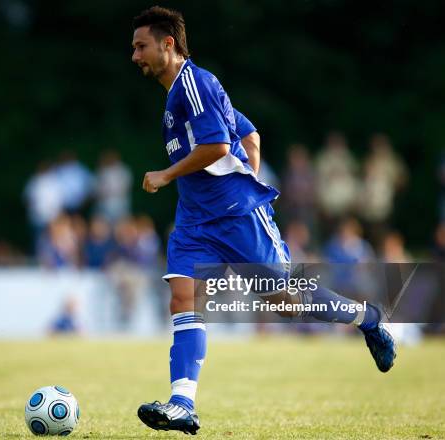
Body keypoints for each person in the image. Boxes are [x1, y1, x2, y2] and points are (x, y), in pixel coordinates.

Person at [130, 6, 396, 434]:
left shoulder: (194, 84)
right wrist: (248, 168)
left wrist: (170, 175)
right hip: (195, 221)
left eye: (141, 46)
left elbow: (218, 145)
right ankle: (183, 404)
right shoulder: (178, 95)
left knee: (286, 303)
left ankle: (368, 318)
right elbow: (248, 133)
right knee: (184, 299)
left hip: (237, 217)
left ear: (168, 44)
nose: (135, 55)